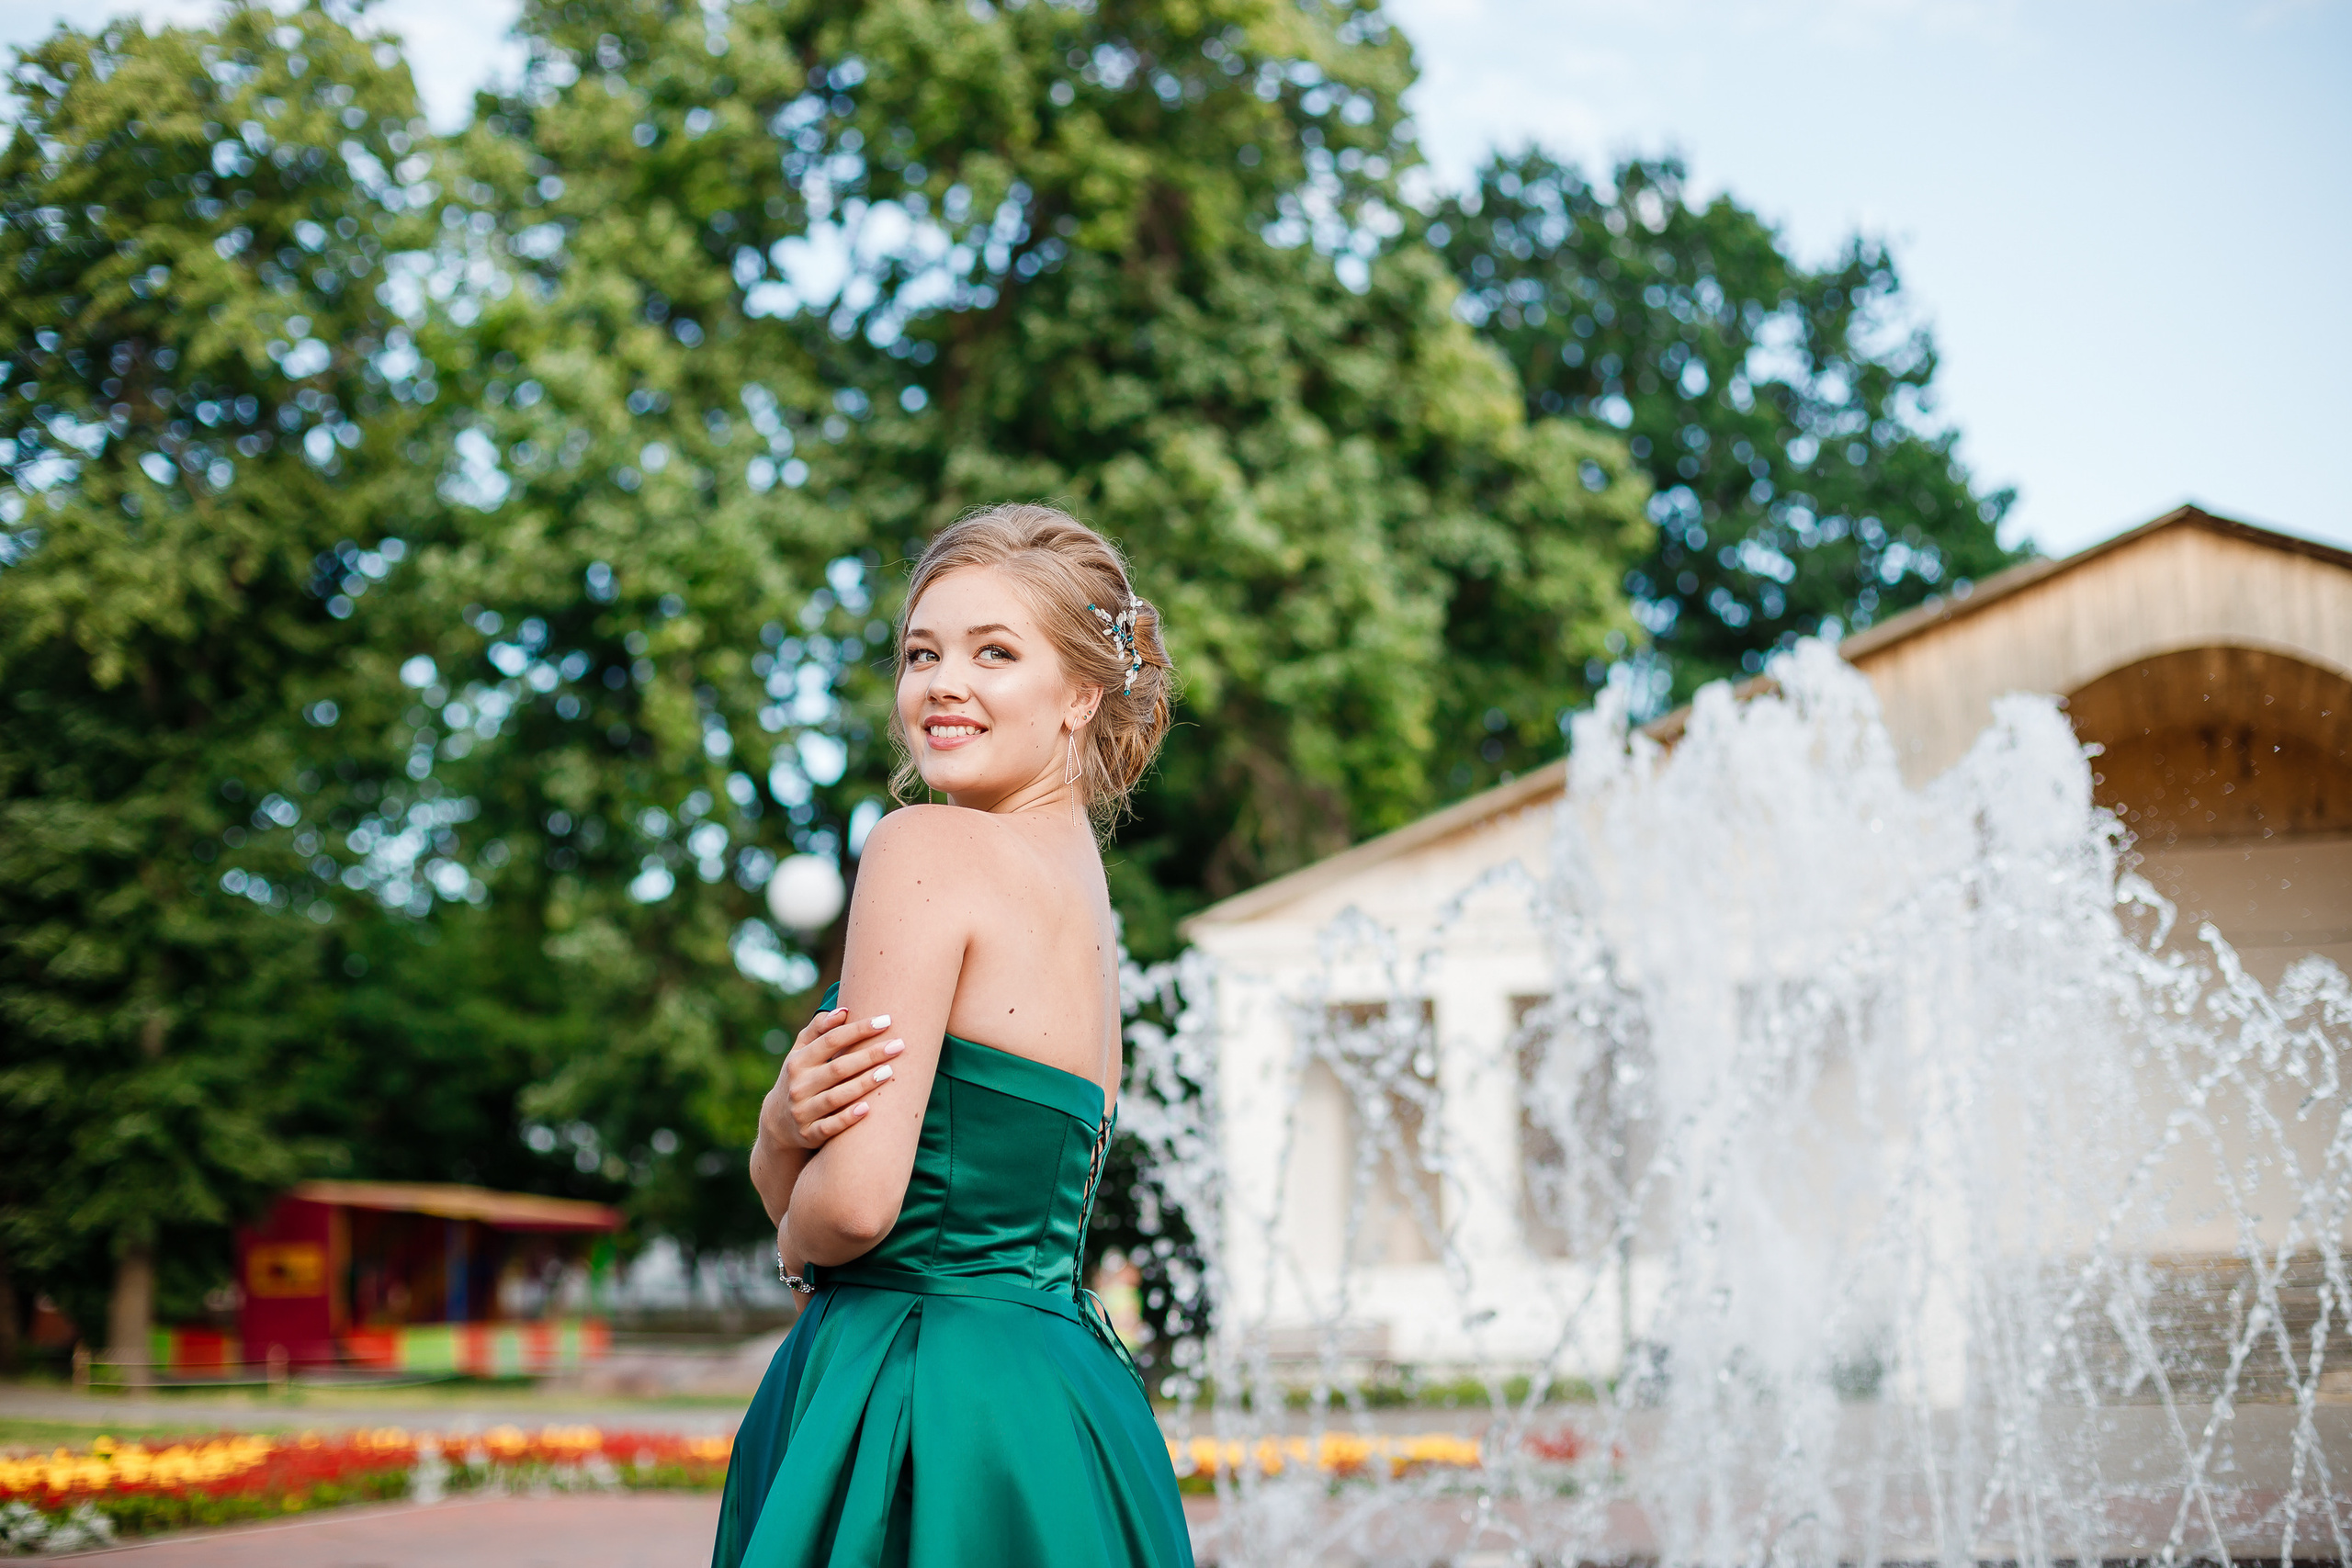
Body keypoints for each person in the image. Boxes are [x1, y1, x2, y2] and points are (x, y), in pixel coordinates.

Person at [712, 504, 1193, 1567]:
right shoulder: (1084, 901)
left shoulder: (923, 847)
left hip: (914, 1406)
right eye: (921, 652)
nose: (943, 684)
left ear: (1078, 693)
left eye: (994, 652)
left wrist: (776, 1158)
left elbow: (854, 1207)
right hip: (1067, 1409)